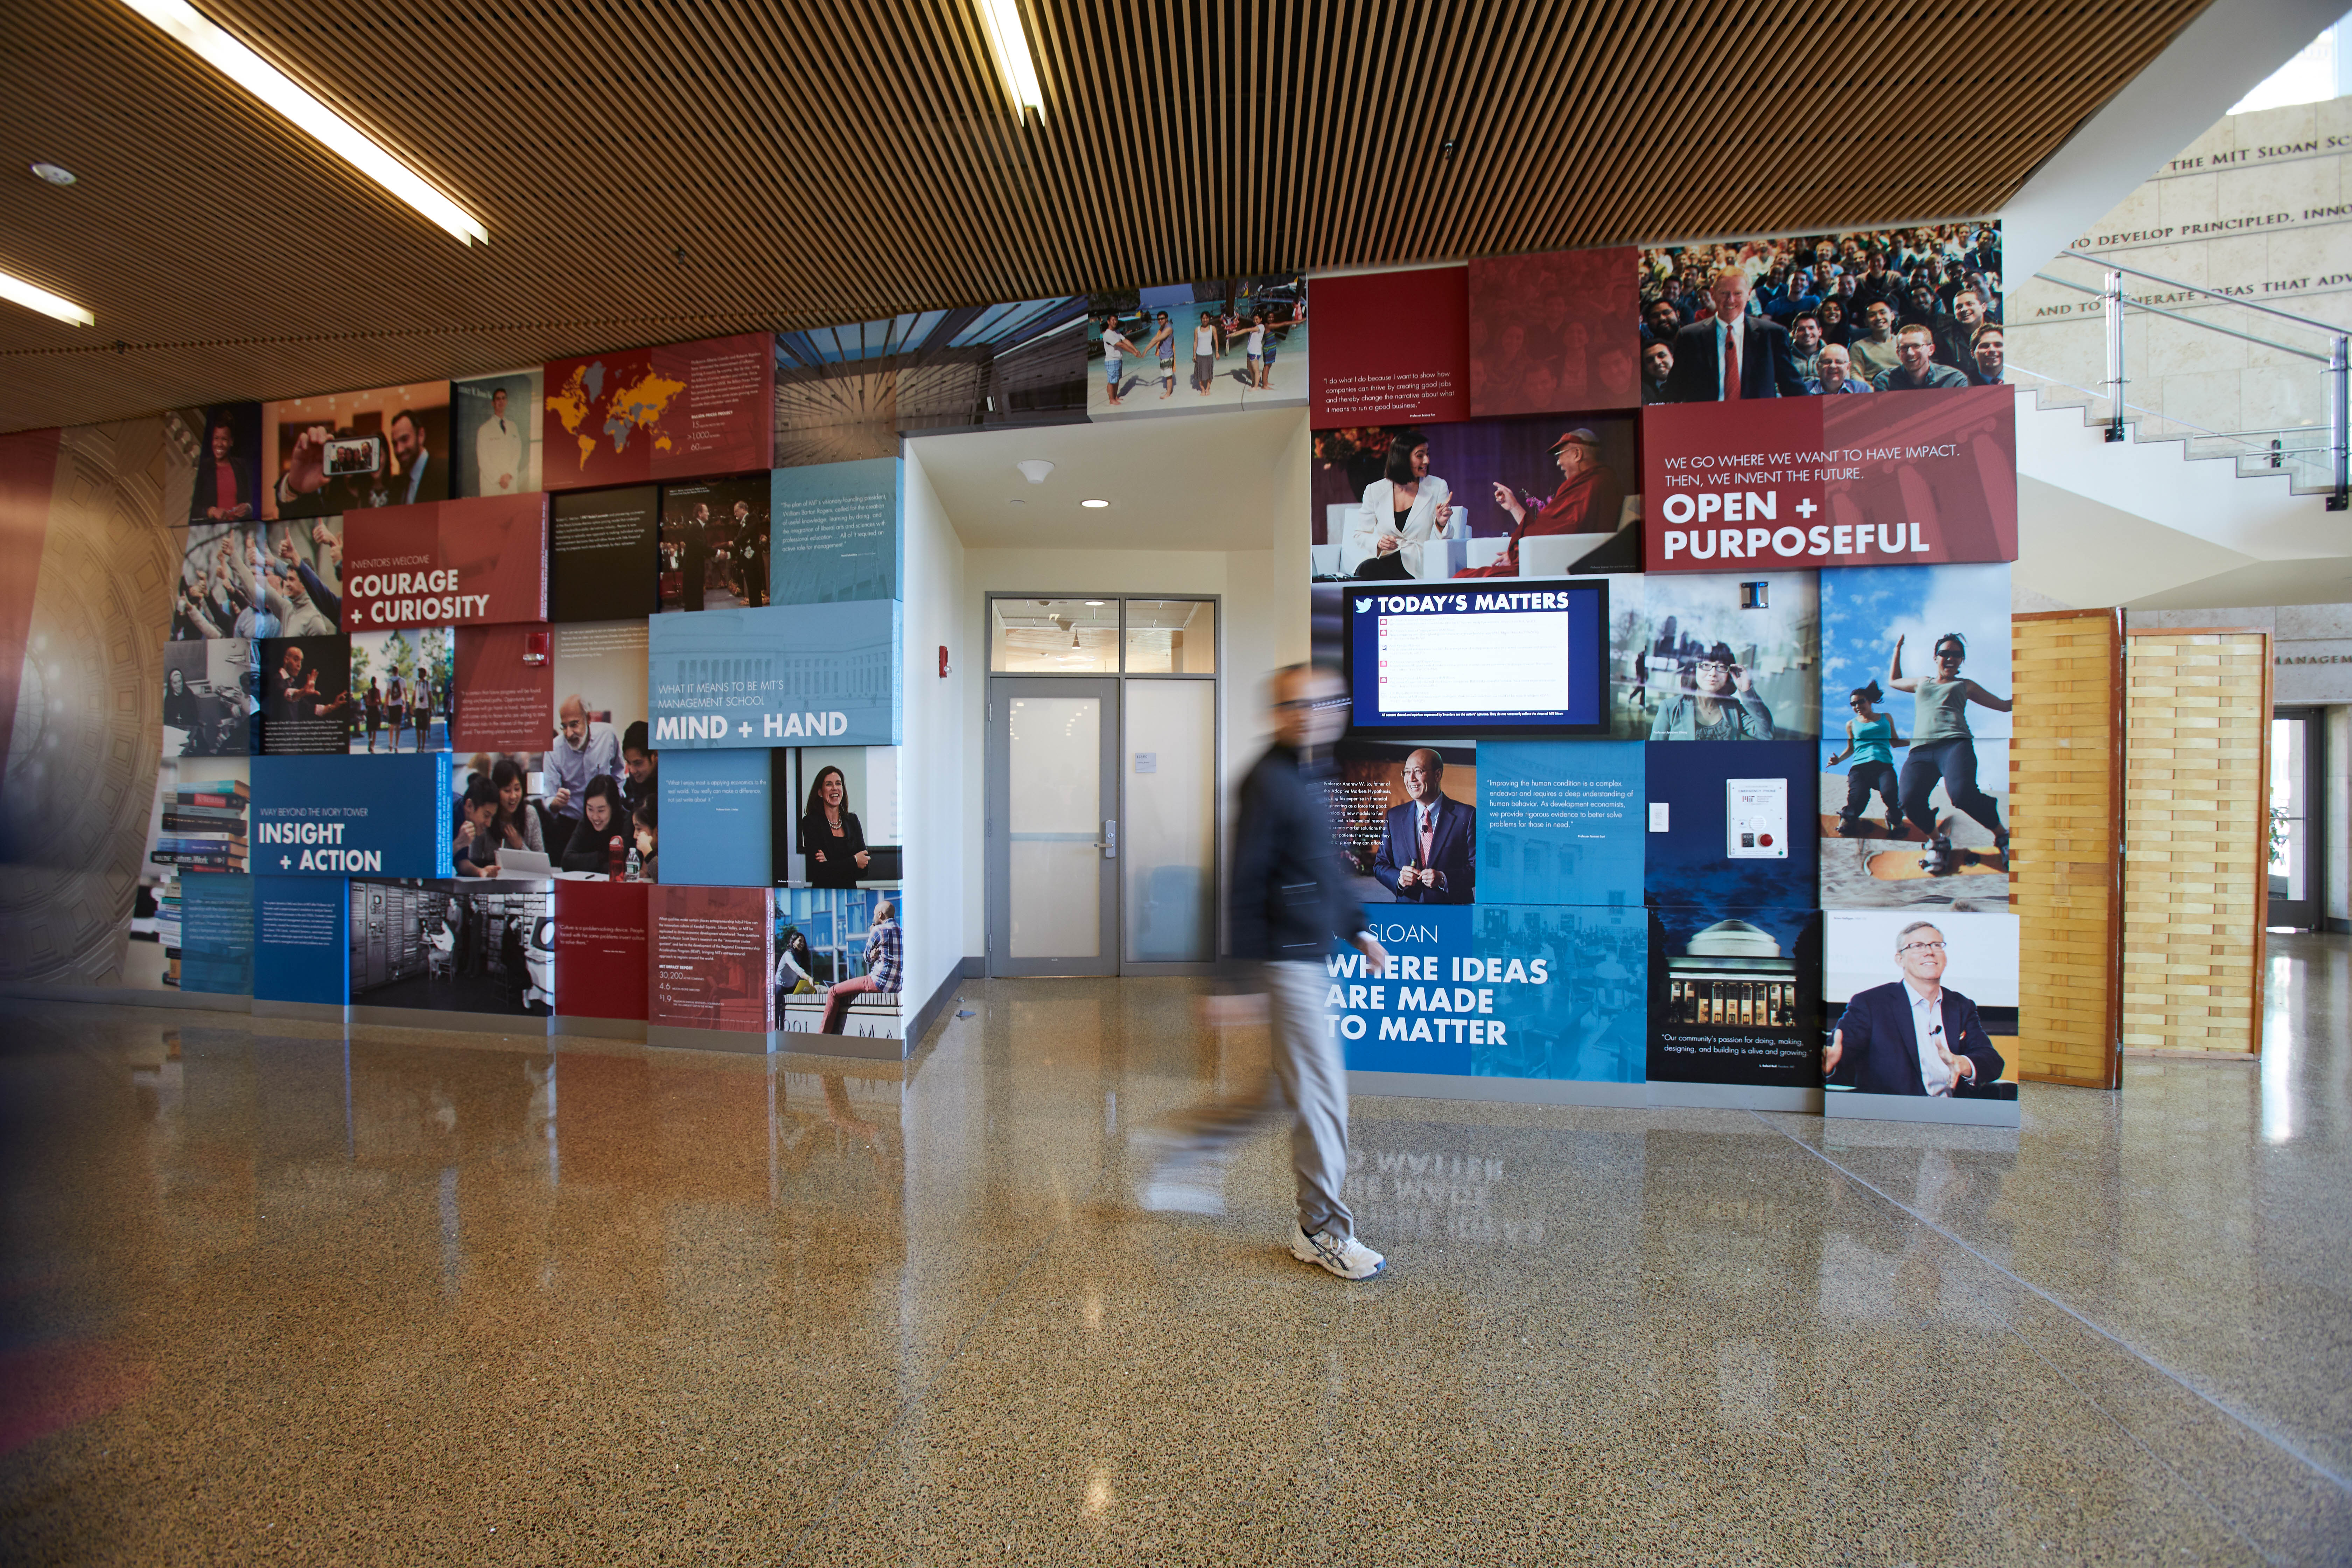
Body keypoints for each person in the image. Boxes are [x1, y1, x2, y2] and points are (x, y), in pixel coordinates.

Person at [1134, 663, 1391, 1282]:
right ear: (1277, 715)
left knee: (1278, 1092)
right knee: (1323, 1097)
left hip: (1308, 954)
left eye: (1324, 703)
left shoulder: (1312, 771)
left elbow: (1321, 867)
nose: (1312, 715)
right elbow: (1242, 881)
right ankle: (1321, 1231)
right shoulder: (1267, 780)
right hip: (1284, 961)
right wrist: (1236, 980)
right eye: (1297, 705)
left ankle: (1186, 1144)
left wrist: (1357, 927)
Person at [1823, 921, 2006, 1096]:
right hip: (1894, 1111)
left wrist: (1963, 1064)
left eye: (1936, 945)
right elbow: (1838, 1054)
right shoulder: (1870, 1004)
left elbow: (1992, 1061)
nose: (1929, 952)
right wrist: (1827, 1065)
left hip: (1951, 1111)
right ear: (1900, 960)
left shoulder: (1961, 1005)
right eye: (1918, 946)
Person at [1889, 632, 2011, 861]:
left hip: (1955, 745)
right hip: (1920, 751)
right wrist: (1898, 650)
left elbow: (2005, 706)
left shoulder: (1965, 685)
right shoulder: (1922, 682)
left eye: (1957, 655)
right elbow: (1894, 681)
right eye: (1945, 653)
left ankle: (2003, 837)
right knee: (1908, 801)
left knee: (1962, 796)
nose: (1950, 658)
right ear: (1936, 657)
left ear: (1961, 660)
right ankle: (1938, 842)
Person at [1454, 428, 1624, 579]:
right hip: (1551, 561)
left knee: (1465, 578)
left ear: (1577, 454)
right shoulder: (1600, 481)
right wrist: (1514, 506)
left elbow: (1559, 532)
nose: (1558, 463)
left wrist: (1518, 555)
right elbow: (1551, 529)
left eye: (1560, 455)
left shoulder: (1591, 485)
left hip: (1554, 568)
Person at [1662, 268, 1808, 401]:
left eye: (1738, 293)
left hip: (1757, 419)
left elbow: (1791, 385)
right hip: (1707, 419)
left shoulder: (1772, 335)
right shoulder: (1690, 336)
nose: (1730, 300)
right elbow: (1675, 389)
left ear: (1749, 294)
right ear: (1713, 293)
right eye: (1724, 293)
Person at [1345, 431, 1458, 580]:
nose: (1427, 461)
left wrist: (1441, 524)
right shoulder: (1375, 490)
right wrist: (1379, 542)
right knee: (1366, 570)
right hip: (1383, 559)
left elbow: (1447, 540)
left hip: (1416, 564)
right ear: (1403, 458)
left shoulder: (1438, 487)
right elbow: (1361, 534)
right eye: (1420, 456)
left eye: (1427, 455)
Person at [1370, 749, 1475, 904]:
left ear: (1438, 775)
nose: (1411, 779)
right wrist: (1399, 879)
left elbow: (1478, 868)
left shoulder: (1467, 815)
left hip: (1452, 912)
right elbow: (1380, 865)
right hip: (1408, 914)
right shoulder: (1394, 817)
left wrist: (1444, 879)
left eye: (1418, 771)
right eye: (1407, 772)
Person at [1648, 640, 1775, 740]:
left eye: (1721, 667)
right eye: (1706, 665)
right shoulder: (1670, 708)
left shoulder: (1734, 709)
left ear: (1729, 674)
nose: (1713, 673)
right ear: (1694, 670)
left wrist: (1747, 691)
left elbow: (1766, 734)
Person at [547, 694, 625, 853]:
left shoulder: (608, 736)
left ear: (588, 719)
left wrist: (615, 800)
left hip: (606, 821)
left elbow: (618, 771)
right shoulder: (554, 750)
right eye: (564, 727)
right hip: (570, 824)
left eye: (574, 725)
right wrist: (556, 803)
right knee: (571, 864)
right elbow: (549, 798)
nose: (569, 734)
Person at [1827, 681, 1906, 836]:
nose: (1857, 706)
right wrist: (1838, 761)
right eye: (1853, 704)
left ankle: (1895, 821)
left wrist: (1917, 741)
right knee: (1858, 799)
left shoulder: (1886, 718)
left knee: (1891, 795)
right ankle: (1848, 819)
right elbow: (1851, 748)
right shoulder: (1851, 724)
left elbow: (1895, 742)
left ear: (1870, 701)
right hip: (1860, 768)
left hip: (1884, 766)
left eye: (1860, 702)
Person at [820, 898, 902, 1032]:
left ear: (880, 915)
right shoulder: (902, 931)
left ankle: (822, 1037)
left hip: (878, 983)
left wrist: (872, 934)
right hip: (896, 987)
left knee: (833, 992)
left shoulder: (878, 930)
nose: (873, 917)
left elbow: (866, 958)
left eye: (874, 914)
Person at [801, 764, 869, 887]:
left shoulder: (853, 821)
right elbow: (819, 870)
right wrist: (854, 860)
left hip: (850, 893)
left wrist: (829, 863)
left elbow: (865, 868)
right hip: (823, 893)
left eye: (838, 784)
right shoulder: (811, 823)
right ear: (820, 792)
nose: (835, 788)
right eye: (829, 784)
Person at [558, 775, 629, 874]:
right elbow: (567, 861)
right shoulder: (586, 821)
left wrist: (587, 864)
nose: (595, 817)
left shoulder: (627, 821)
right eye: (590, 809)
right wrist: (600, 857)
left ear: (613, 808)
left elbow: (621, 866)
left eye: (601, 811)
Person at [1872, 324, 1970, 392]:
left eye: (1917, 346)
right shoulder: (1884, 381)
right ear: (1898, 353)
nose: (1910, 353)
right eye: (1904, 348)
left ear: (1931, 350)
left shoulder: (1954, 379)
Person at [195, 416, 255, 522]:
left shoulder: (241, 466)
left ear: (231, 442)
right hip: (212, 528)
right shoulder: (203, 468)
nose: (219, 444)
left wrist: (248, 507)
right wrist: (212, 511)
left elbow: (253, 500)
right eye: (216, 438)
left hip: (239, 527)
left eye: (224, 439)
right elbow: (193, 508)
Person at [490, 757, 545, 857]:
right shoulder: (489, 815)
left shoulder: (530, 814)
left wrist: (520, 846)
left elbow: (541, 860)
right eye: (507, 791)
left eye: (517, 789)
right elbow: (474, 858)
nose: (513, 796)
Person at [473, 386, 524, 495]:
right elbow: (483, 459)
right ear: (493, 403)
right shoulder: (484, 429)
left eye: (504, 398)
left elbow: (517, 453)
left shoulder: (513, 427)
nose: (501, 401)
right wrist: (499, 479)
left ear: (507, 402)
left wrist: (509, 475)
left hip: (510, 482)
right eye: (498, 399)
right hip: (492, 485)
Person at [451, 776, 503, 878]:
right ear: (470, 806)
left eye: (492, 817)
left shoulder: (465, 817)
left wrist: (480, 871)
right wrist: (458, 844)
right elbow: (428, 862)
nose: (489, 824)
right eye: (486, 815)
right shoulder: (443, 813)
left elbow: (460, 861)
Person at [388, 409, 441, 507]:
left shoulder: (444, 473)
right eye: (395, 444)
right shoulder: (397, 485)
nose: (399, 450)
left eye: (405, 439)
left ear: (421, 436)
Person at [1847, 301, 1903, 384]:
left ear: (1892, 316)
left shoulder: (1903, 343)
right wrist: (1872, 390)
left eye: (1883, 313)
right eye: (1872, 315)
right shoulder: (1858, 347)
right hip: (1873, 389)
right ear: (1866, 322)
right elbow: (1855, 375)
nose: (1878, 318)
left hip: (1903, 389)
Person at [732, 498, 768, 608]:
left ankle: (757, 613)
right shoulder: (743, 524)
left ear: (743, 509)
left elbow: (745, 536)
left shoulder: (752, 518)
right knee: (752, 591)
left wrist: (734, 543)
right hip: (747, 562)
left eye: (736, 511)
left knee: (755, 591)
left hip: (753, 562)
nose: (735, 514)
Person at [621, 720, 658, 824]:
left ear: (655, 756)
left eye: (638, 763)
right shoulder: (636, 775)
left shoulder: (672, 778)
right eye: (629, 762)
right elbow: (638, 812)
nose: (632, 771)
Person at [1804, 343, 1872, 395]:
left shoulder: (1861, 390)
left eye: (1839, 362)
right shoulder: (1804, 391)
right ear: (1818, 367)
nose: (1833, 366)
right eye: (1827, 362)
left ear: (1848, 367)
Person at [1099, 317, 1139, 406]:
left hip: (1118, 359)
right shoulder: (1108, 334)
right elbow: (1121, 345)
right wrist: (1133, 352)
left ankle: (1116, 397)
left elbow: (1125, 341)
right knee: (1112, 381)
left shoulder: (1117, 332)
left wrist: (1136, 350)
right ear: (1109, 321)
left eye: (1116, 320)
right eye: (1113, 320)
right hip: (1111, 360)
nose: (1115, 322)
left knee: (1117, 380)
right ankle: (1112, 400)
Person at [775, 929, 820, 996]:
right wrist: (809, 978)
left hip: (791, 987)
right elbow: (797, 969)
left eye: (804, 942)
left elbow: (796, 977)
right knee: (779, 1000)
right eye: (800, 941)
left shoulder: (800, 957)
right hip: (780, 985)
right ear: (793, 942)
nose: (802, 944)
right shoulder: (788, 955)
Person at [1787, 311, 1825, 384]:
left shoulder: (1833, 355)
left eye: (1811, 328)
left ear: (1820, 331)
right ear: (1794, 334)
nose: (1807, 333)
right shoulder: (1785, 357)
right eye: (1801, 329)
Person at [1145, 310, 1176, 400]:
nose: (1160, 321)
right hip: (1164, 355)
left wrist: (1147, 350)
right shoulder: (1162, 328)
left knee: (1169, 376)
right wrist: (1147, 348)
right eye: (1159, 319)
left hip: (1167, 355)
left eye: (1162, 319)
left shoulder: (1168, 329)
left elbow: (1157, 340)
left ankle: (1168, 393)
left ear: (1167, 319)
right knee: (1167, 374)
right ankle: (1168, 390)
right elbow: (1155, 338)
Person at [631, 798, 659, 883]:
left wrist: (647, 849)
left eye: (639, 829)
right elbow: (645, 873)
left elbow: (664, 880)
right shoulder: (654, 848)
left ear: (658, 830)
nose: (635, 836)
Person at [1969, 323, 2006, 387]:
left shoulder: (2022, 377)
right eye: (1985, 346)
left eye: (1998, 345)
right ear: (1973, 354)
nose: (1992, 350)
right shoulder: (1964, 383)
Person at [1191, 311, 1219, 395]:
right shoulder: (1197, 330)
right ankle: (1203, 390)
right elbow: (1195, 342)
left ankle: (1208, 389)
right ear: (1201, 319)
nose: (1205, 320)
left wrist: (1217, 352)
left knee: (1209, 373)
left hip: (1209, 354)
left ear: (1209, 319)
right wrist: (1194, 355)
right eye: (1203, 318)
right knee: (1200, 374)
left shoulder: (1213, 328)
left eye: (1207, 318)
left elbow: (1216, 341)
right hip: (1199, 355)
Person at [1640, 340, 1674, 404]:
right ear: (1646, 368)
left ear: (1673, 357)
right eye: (1650, 360)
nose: (1657, 362)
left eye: (1662, 356)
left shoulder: (1691, 382)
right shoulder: (1643, 392)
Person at [362, 678, 382, 752]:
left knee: (370, 728)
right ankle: (373, 746)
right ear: (376, 682)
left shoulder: (369, 691)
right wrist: (375, 703)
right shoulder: (378, 691)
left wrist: (370, 703)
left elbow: (368, 702)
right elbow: (380, 702)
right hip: (376, 710)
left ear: (371, 682)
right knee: (375, 729)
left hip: (370, 710)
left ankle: (370, 740)